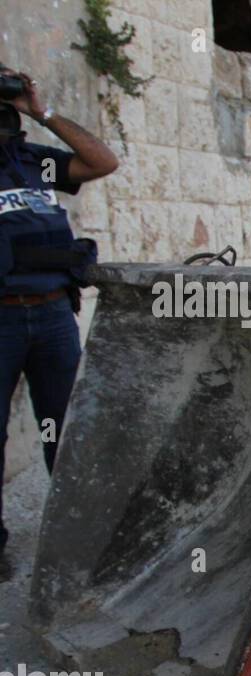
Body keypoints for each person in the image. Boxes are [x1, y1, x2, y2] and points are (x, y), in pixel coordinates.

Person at [1, 66, 118, 566]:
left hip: (52, 318)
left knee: (64, 428)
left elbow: (102, 161)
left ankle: (75, 542)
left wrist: (39, 109)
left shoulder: (34, 163)